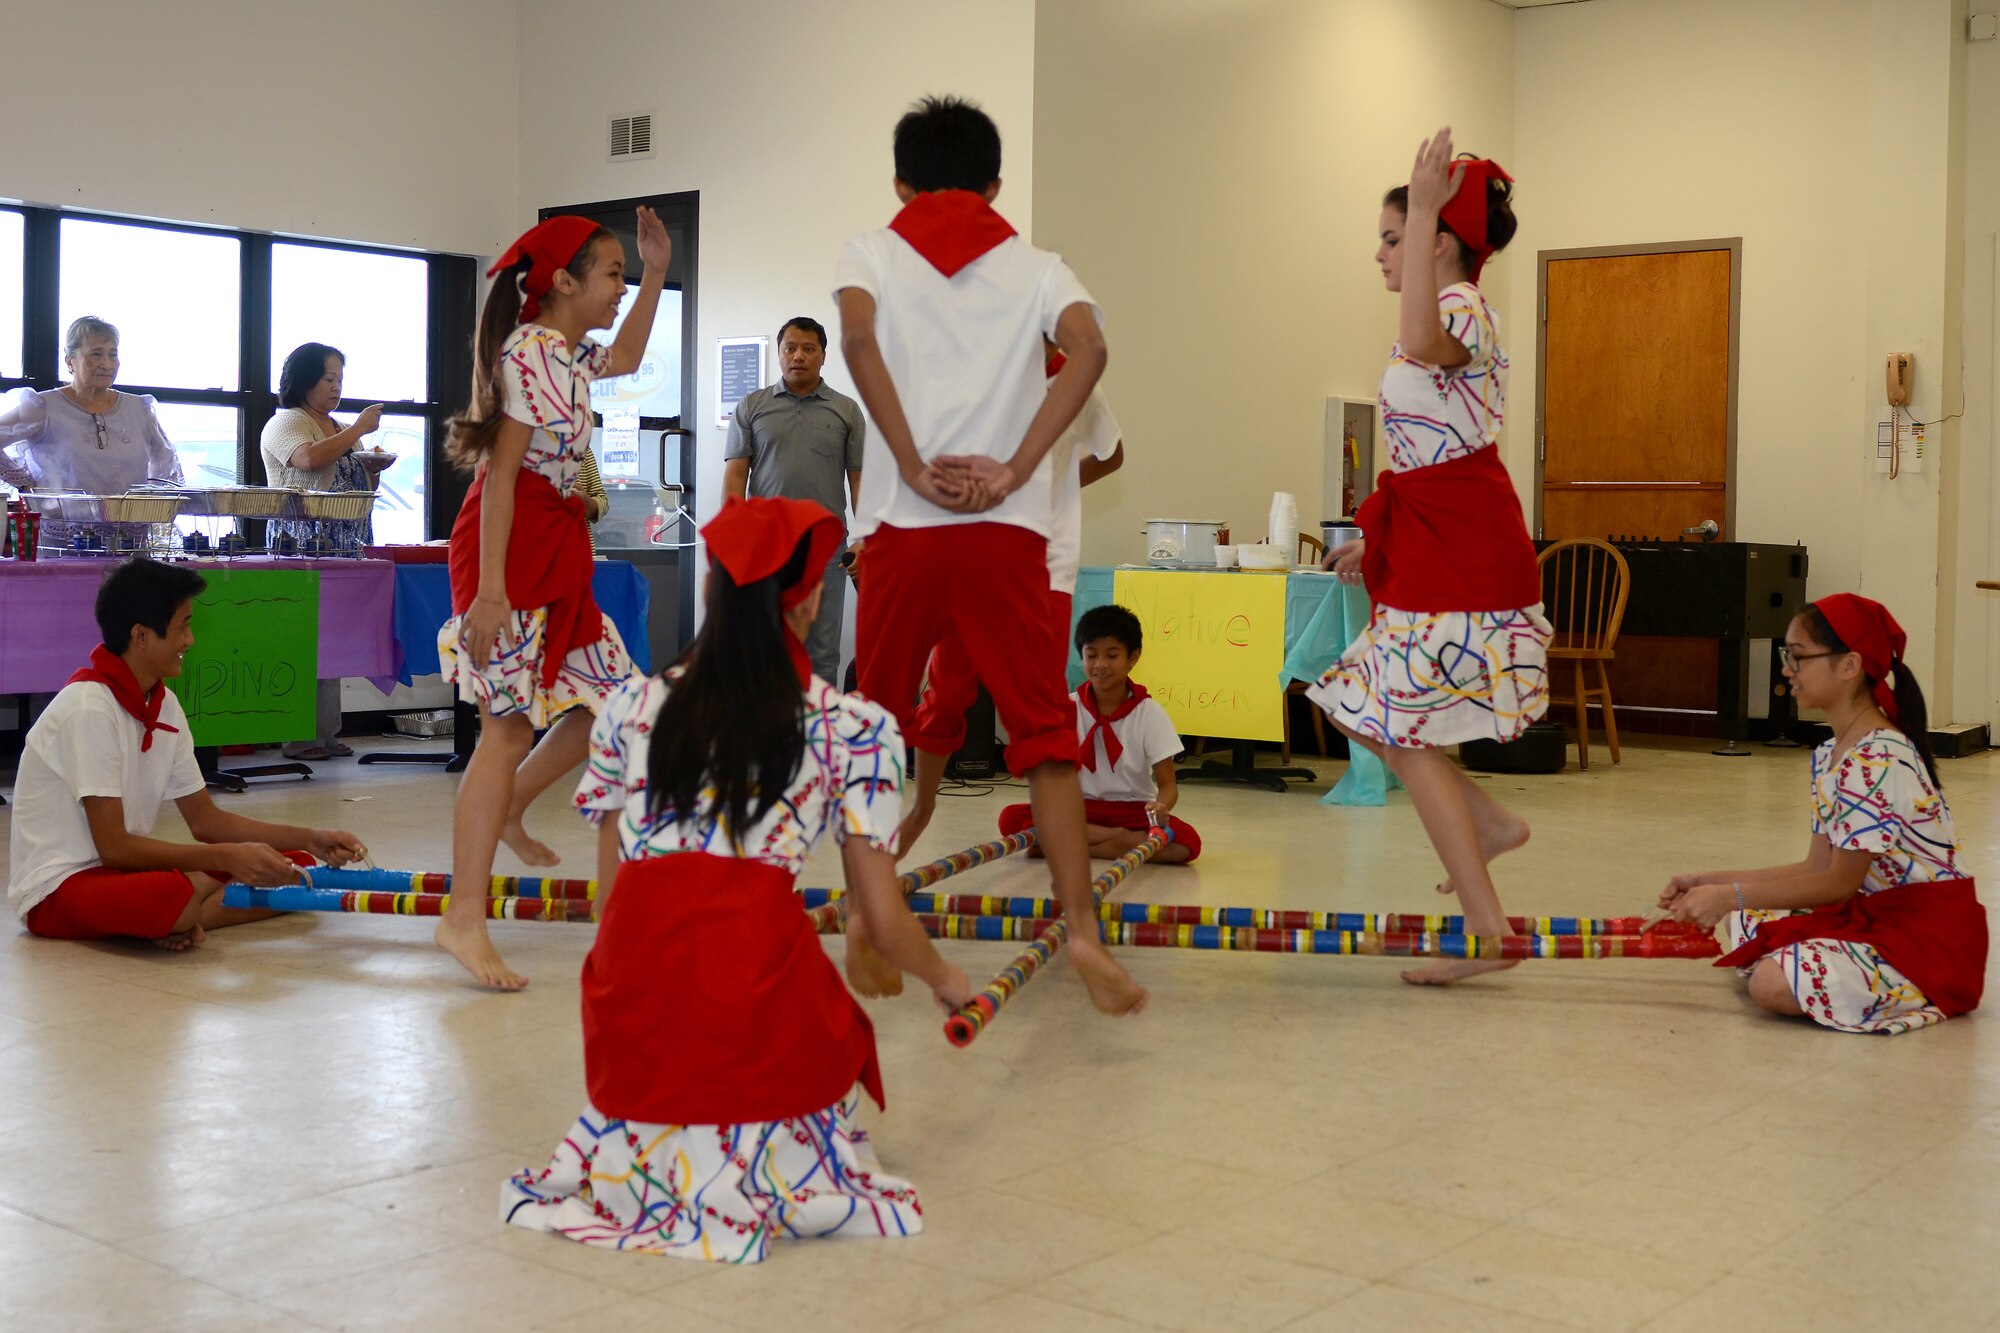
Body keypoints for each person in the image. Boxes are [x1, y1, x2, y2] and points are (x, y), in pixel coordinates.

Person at [503, 496, 968, 1264]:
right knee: (799, 983)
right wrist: (944, 976)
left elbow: (613, 898)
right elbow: (883, 919)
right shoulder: (848, 726)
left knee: (708, 965)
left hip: (631, 1003)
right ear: (812, 600)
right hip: (750, 1000)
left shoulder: (628, 708)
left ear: (711, 588)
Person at [834, 94, 1146, 1017]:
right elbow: (1089, 349)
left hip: (901, 529)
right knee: (1047, 741)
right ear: (996, 183)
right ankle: (1081, 930)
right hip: (1005, 537)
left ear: (900, 181)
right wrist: (1014, 470)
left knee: (875, 730)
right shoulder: (1041, 267)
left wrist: (907, 459)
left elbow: (855, 340)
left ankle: (865, 913)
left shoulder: (870, 252)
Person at [1305, 129, 1549, 986]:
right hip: (1437, 539)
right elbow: (1423, 444)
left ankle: (1487, 926)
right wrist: (1375, 537)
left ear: (1439, 241)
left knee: (1393, 724)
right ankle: (1486, 827)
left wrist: (1425, 195)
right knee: (1367, 713)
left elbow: (1422, 345)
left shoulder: (1461, 311)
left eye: (1393, 236)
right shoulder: (1442, 311)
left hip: (1466, 551)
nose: (1379, 253)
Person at [435, 209, 671, 989]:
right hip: (511, 548)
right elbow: (501, 478)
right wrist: (492, 594)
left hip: (555, 543)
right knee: (502, 732)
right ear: (563, 281)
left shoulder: (567, 351)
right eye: (612, 275)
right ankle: (463, 918)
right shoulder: (531, 351)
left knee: (613, 701)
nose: (620, 288)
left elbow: (631, 352)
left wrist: (658, 270)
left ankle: (511, 807)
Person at [1660, 596, 1986, 1033]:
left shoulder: (1877, 758)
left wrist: (1727, 896)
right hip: (1870, 910)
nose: (1786, 669)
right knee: (1747, 915)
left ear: (1849, 665)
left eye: (1798, 656)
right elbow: (1816, 867)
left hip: (1925, 938)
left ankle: (1897, 984)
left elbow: (1835, 885)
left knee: (1770, 983)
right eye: (1786, 655)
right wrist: (1712, 883)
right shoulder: (1833, 753)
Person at [5, 558, 366, 948]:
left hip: (123, 875)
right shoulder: (88, 708)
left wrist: (311, 838)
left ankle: (181, 916)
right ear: (140, 636)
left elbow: (205, 821)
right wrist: (225, 859)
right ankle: (179, 910)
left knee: (294, 866)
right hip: (59, 889)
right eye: (183, 627)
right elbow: (114, 847)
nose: (189, 641)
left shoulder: (166, 706)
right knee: (175, 893)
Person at [899, 346, 1124, 855]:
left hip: (1045, 564)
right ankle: (922, 807)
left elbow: (1112, 454)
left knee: (1042, 707)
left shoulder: (1078, 380)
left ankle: (1058, 834)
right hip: (973, 558)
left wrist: (1056, 487)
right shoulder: (982, 369)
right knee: (947, 688)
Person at [721, 316, 866, 683]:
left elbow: (859, 480)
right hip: (765, 548)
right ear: (780, 353)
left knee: (821, 651)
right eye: (790, 348)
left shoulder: (847, 410)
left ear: (823, 356)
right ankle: (767, 737)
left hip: (827, 550)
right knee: (765, 646)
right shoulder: (752, 406)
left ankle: (816, 736)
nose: (798, 356)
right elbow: (736, 474)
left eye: (808, 348)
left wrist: (865, 539)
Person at [261, 341, 387, 760]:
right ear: (304, 380)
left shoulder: (334, 426)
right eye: (328, 379)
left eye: (340, 380)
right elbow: (308, 461)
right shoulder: (287, 422)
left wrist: (370, 471)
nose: (335, 388)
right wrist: (357, 431)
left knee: (331, 639)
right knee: (302, 636)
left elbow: (355, 488)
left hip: (345, 546)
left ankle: (326, 732)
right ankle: (299, 737)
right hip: (301, 545)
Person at [998, 604, 1198, 863]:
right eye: (1091, 655)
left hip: (1134, 810)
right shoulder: (1066, 708)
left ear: (1133, 657)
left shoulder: (1149, 713)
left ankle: (1072, 847)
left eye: (1112, 655)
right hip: (1079, 808)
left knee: (1188, 842)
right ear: (1081, 656)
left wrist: (1161, 807)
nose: (1100, 665)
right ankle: (1121, 840)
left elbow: (1168, 784)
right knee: (1010, 818)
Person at [0, 316, 183, 547]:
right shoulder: (43, 407)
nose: (107, 364)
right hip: (63, 541)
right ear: (70, 362)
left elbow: (165, 460)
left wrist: (151, 502)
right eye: (96, 354)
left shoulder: (140, 409)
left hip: (129, 540)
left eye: (113, 354)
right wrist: (25, 483)